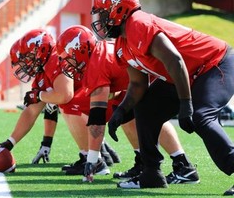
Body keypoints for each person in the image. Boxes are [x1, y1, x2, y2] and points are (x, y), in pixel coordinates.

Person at [90, 0, 234, 194]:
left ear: (120, 9)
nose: (100, 20)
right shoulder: (122, 44)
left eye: (104, 13)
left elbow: (175, 60)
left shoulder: (138, 23)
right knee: (145, 107)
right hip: (186, 73)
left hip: (215, 63)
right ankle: (151, 174)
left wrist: (186, 104)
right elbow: (138, 84)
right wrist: (121, 110)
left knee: (202, 116)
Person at [56, 25, 199, 183]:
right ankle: (143, 162)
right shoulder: (100, 52)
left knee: (148, 114)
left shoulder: (97, 62)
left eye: (69, 57)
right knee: (125, 111)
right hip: (142, 80)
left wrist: (91, 160)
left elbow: (97, 117)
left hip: (157, 77)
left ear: (81, 50)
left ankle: (183, 165)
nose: (67, 63)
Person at [0, 28, 115, 176]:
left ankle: (93, 159)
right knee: (59, 101)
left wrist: (40, 95)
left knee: (66, 103)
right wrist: (10, 142)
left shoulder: (55, 59)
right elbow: (32, 111)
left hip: (109, 93)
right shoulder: (43, 71)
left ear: (41, 49)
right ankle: (91, 155)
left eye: (28, 57)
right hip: (98, 96)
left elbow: (64, 96)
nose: (27, 64)